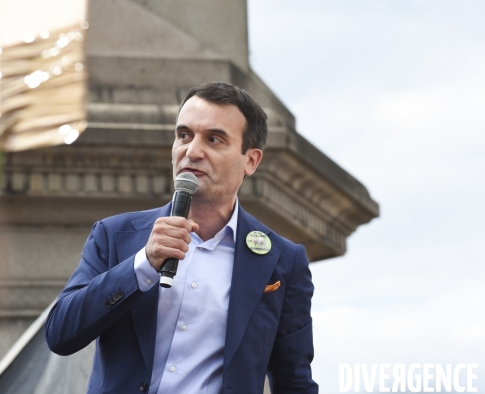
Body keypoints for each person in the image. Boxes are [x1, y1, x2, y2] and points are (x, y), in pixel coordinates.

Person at [45, 82, 318, 394]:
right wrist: (142, 265)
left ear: (251, 161)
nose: (192, 151)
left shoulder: (283, 260)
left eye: (214, 139)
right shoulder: (114, 235)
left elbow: (294, 380)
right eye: (184, 135)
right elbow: (60, 334)